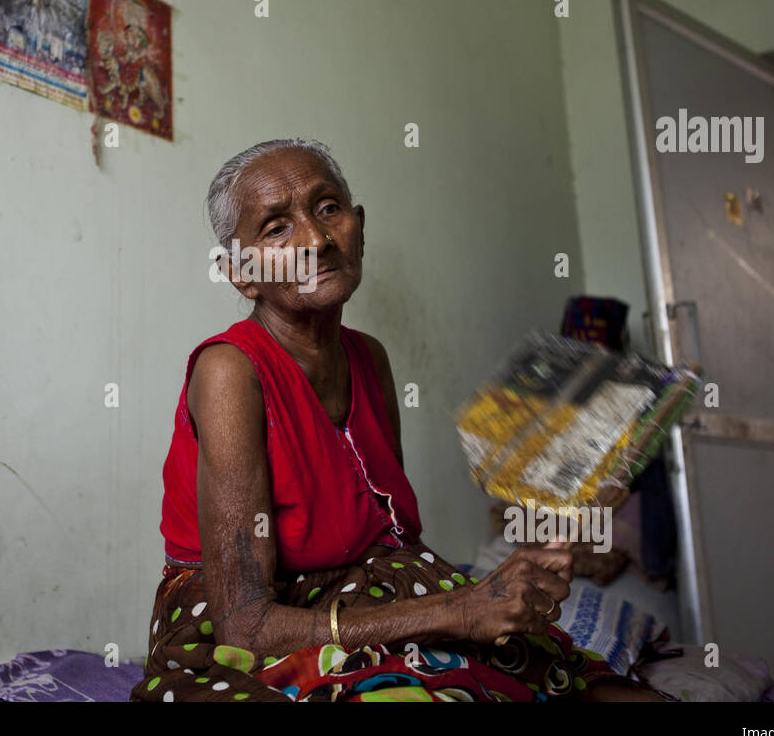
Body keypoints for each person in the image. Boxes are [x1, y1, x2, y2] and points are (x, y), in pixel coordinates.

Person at [130, 139, 667, 702]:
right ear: (240, 272)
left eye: (328, 207)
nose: (315, 240)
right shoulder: (228, 372)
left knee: (581, 681)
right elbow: (246, 625)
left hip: (365, 592)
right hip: (251, 628)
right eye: (276, 229)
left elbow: (393, 545)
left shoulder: (370, 358)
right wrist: (454, 610)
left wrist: (514, 572)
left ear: (358, 227)